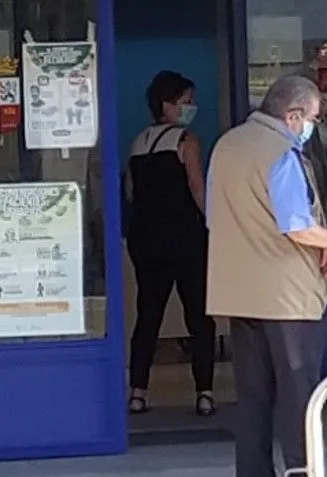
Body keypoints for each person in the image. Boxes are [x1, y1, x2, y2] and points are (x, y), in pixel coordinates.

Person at [206, 74, 327, 477]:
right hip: (287, 298)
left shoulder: (227, 146)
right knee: (300, 400)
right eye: (312, 118)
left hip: (238, 292)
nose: (313, 126)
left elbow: (215, 216)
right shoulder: (282, 154)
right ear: (292, 116)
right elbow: (296, 224)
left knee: (253, 399)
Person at [124, 70, 217, 416]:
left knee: (148, 314)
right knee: (198, 315)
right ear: (167, 105)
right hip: (184, 237)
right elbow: (197, 187)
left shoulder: (138, 142)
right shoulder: (186, 140)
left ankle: (138, 391)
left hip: (146, 238)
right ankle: (205, 392)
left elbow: (131, 191)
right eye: (186, 101)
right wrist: (215, 224)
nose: (192, 107)